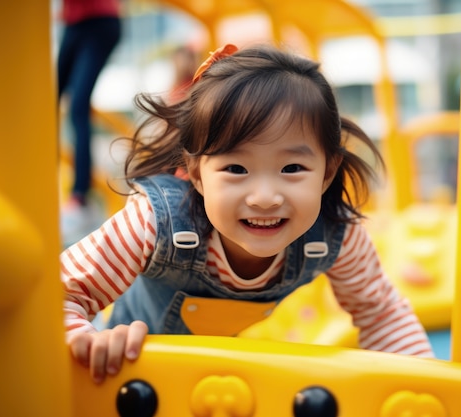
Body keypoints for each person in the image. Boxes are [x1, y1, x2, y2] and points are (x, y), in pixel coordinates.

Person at [62, 44, 434, 384]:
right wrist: (87, 341)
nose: (265, 198)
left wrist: (424, 387)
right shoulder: (154, 224)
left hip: (214, 386)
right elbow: (59, 294)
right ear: (196, 174)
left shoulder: (335, 234)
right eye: (236, 169)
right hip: (128, 382)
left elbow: (381, 313)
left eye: (291, 169)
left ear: (328, 172)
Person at [57, 0, 122, 245]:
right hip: (74, 22)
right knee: (48, 99)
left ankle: (79, 196)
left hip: (98, 20)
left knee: (78, 106)